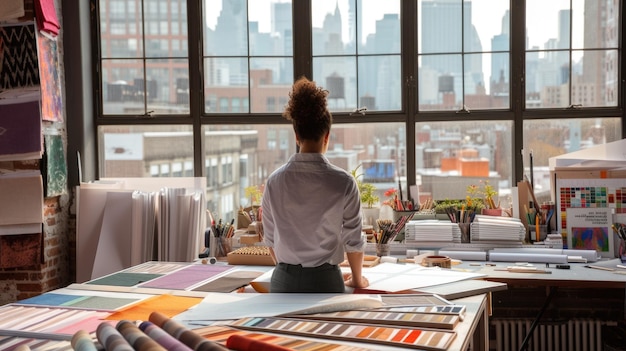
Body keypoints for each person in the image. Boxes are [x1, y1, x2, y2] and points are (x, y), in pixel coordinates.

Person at [261, 76, 369, 293]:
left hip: (283, 280)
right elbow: (353, 240)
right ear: (327, 136)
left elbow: (270, 240)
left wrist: (289, 273)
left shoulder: (274, 181)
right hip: (325, 281)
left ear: (296, 135)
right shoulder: (344, 182)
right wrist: (357, 280)